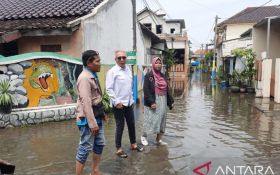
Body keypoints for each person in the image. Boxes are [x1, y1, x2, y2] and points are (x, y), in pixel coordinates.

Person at [106, 50, 143, 158]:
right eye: (119, 58)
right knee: (120, 126)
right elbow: (109, 89)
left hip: (128, 103)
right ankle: (119, 149)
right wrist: (116, 102)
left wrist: (131, 100)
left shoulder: (128, 70)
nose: (122, 59)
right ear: (115, 59)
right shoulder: (112, 72)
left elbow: (130, 87)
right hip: (119, 104)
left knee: (131, 124)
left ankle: (133, 144)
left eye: (123, 57)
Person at [75, 50, 106, 175]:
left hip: (96, 115)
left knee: (100, 143)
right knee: (85, 148)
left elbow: (96, 97)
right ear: (89, 62)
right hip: (87, 119)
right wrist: (92, 124)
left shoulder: (92, 74)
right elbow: (86, 103)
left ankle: (95, 171)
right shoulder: (84, 78)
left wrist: (102, 113)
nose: (100, 64)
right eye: (97, 61)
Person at [141, 57, 174, 146]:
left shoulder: (163, 75)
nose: (158, 64)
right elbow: (146, 90)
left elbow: (167, 89)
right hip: (154, 99)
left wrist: (170, 101)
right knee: (150, 119)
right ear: (153, 64)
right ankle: (144, 136)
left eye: (160, 63)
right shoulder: (149, 76)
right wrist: (151, 102)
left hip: (163, 99)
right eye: (156, 63)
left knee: (162, 119)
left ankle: (158, 139)